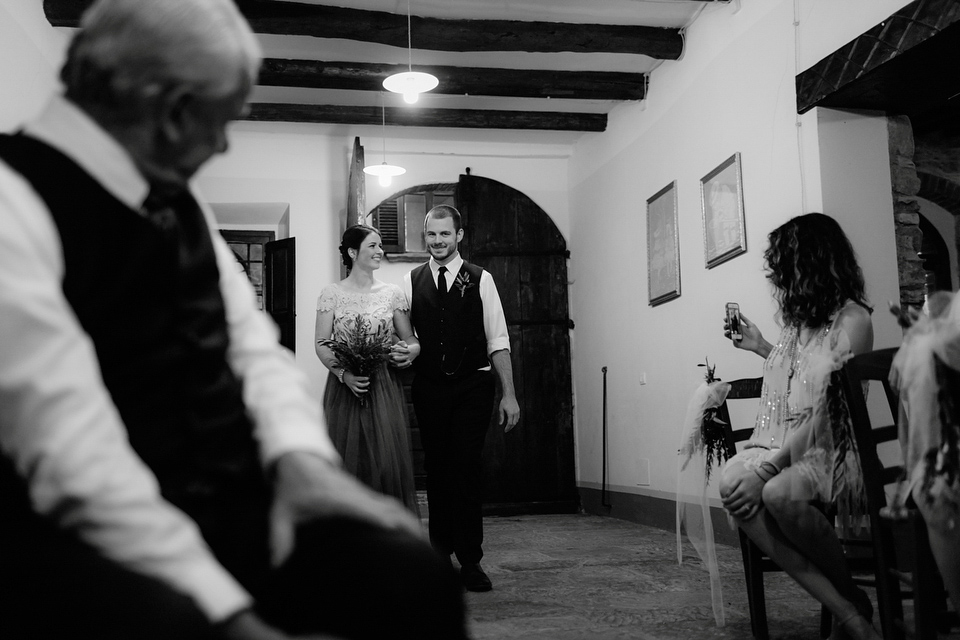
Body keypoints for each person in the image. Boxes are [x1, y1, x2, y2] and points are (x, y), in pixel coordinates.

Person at [0, 1, 465, 639]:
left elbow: (253, 351)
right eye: (221, 121)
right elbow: (70, 450)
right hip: (96, 530)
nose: (221, 143)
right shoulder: (12, 205)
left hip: (234, 497)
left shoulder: (176, 200)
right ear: (170, 108)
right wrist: (225, 609)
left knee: (409, 573)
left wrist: (300, 464)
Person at [718, 213, 879, 640]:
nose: (779, 279)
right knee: (733, 482)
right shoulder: (797, 325)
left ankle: (848, 608)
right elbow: (797, 378)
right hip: (781, 442)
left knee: (775, 492)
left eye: (785, 268)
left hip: (830, 451)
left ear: (812, 263)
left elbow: (827, 408)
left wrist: (770, 468)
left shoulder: (853, 321)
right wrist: (761, 347)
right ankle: (850, 607)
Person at [402, 204, 520, 592]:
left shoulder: (481, 279)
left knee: (465, 468)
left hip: (473, 386)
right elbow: (403, 337)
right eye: (432, 235)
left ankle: (470, 561)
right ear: (426, 237)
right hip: (429, 387)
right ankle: (439, 556)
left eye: (445, 234)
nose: (438, 241)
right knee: (436, 470)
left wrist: (510, 396)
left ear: (459, 235)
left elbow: (498, 340)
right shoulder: (410, 280)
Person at [314, 224, 420, 513]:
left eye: (380, 245)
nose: (380, 251)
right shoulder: (331, 294)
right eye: (373, 245)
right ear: (352, 252)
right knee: (349, 461)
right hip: (344, 387)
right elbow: (322, 344)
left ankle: (387, 539)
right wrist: (343, 375)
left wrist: (409, 352)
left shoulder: (392, 293)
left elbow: (410, 339)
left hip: (383, 385)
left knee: (385, 462)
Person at [888, 290, 960, 614]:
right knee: (938, 492)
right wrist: (921, 341)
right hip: (949, 449)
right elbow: (899, 377)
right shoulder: (949, 309)